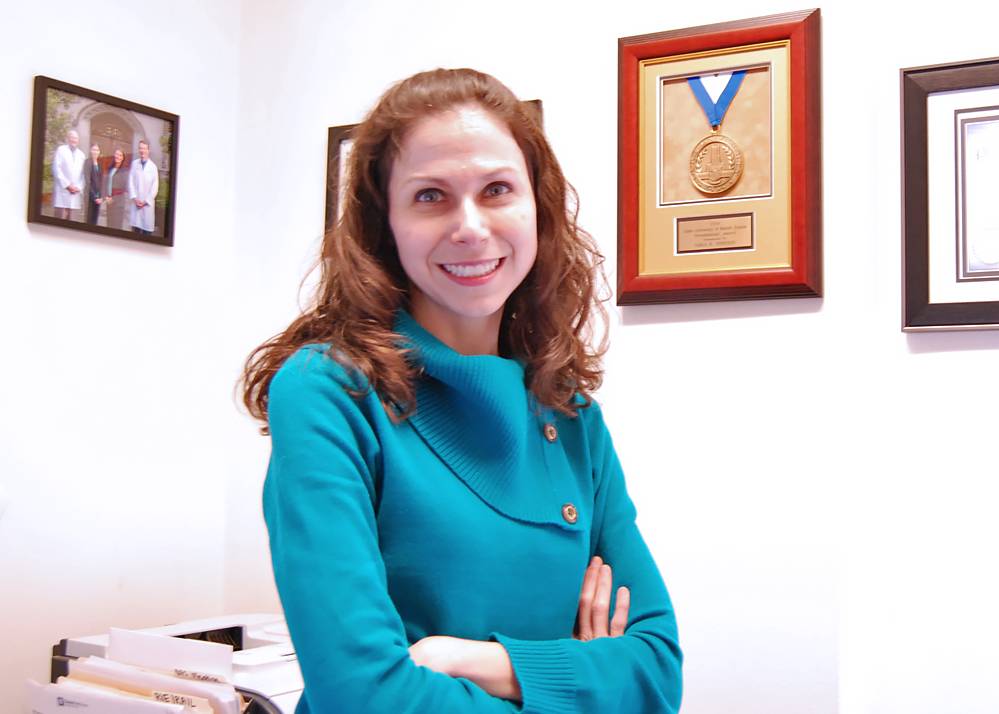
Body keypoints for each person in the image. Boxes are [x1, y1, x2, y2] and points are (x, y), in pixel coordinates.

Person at [240, 68, 682, 712]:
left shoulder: (571, 413)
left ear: (539, 207)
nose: (470, 227)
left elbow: (656, 671)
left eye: (498, 189)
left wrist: (480, 661)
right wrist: (580, 676)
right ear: (383, 223)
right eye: (430, 196)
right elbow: (363, 695)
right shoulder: (328, 394)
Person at [51, 129, 85, 220]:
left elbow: (83, 175)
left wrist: (78, 187)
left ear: (78, 140)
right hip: (62, 192)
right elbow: (56, 169)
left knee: (72, 224)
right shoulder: (61, 150)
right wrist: (67, 185)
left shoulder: (81, 155)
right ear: (68, 139)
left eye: (76, 138)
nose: (74, 140)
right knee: (59, 222)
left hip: (75, 194)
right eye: (72, 137)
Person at [128, 139, 159, 235]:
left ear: (148, 150)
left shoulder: (153, 167)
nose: (142, 151)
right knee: (135, 233)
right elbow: (130, 181)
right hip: (136, 203)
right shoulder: (134, 164)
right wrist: (135, 198)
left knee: (146, 234)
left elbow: (155, 187)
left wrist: (146, 201)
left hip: (147, 206)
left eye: (144, 148)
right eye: (140, 148)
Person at [104, 148, 129, 231]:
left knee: (116, 227)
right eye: (116, 154)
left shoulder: (125, 171)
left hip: (118, 204)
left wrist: (113, 198)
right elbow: (106, 184)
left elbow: (124, 188)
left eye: (120, 155)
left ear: (123, 158)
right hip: (109, 202)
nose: (118, 156)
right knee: (109, 225)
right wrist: (106, 197)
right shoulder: (110, 168)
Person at [84, 144, 104, 226]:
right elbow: (87, 181)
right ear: (90, 150)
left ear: (99, 152)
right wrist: (94, 197)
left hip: (98, 198)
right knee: (89, 220)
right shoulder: (87, 162)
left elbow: (102, 181)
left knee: (95, 221)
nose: (95, 152)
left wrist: (100, 197)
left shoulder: (100, 164)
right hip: (90, 196)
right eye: (94, 149)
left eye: (97, 150)